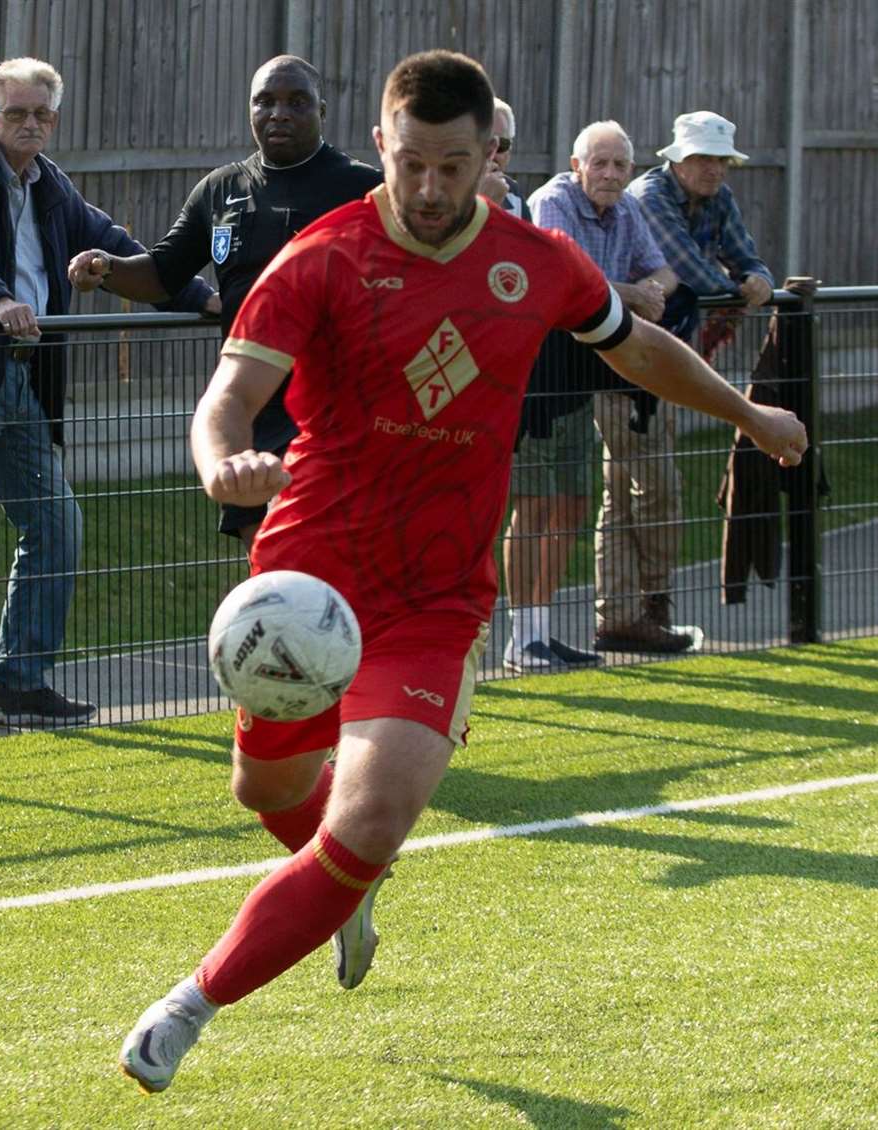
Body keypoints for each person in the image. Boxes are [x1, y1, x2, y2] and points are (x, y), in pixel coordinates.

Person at [116, 51, 806, 1095]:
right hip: (306, 574)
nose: (432, 190)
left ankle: (190, 1003)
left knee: (372, 818)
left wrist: (749, 414)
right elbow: (229, 393)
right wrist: (225, 466)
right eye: (413, 165)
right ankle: (343, 895)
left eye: (453, 165)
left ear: (492, 153)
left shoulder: (539, 262)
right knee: (267, 786)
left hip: (436, 596)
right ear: (382, 150)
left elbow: (639, 350)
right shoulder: (321, 257)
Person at [0, 57, 215, 728]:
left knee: (57, 525)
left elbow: (120, 248)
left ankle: (20, 679)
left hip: (25, 378)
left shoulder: (51, 187)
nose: (30, 125)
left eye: (42, 114)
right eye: (16, 114)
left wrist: (202, 300)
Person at [69, 55, 382, 550]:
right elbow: (161, 274)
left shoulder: (363, 190)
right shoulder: (221, 189)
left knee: (318, 562)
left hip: (329, 409)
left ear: (322, 110)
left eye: (296, 102)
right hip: (245, 407)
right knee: (267, 563)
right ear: (249, 110)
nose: (279, 113)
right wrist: (108, 270)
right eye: (265, 101)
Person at [592, 110, 776, 653]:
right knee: (651, 490)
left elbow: (747, 257)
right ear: (678, 158)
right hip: (629, 358)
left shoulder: (717, 199)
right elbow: (690, 268)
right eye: (702, 157)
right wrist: (738, 286)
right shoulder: (651, 196)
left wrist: (758, 277)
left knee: (631, 491)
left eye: (720, 159)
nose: (713, 168)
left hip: (665, 360)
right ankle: (643, 611)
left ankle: (626, 616)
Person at [503, 120, 679, 671]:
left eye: (619, 165)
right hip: (537, 380)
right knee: (531, 504)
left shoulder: (626, 208)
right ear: (576, 165)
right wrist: (632, 293)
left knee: (573, 503)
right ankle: (520, 636)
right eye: (598, 163)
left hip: (583, 379)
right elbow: (567, 279)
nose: (608, 173)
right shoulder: (552, 201)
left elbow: (665, 272)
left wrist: (650, 291)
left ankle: (543, 631)